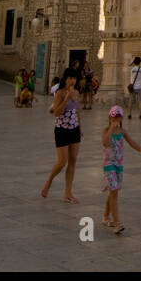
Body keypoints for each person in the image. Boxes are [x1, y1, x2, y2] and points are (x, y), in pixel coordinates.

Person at [101, 105, 141, 234]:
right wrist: (111, 128)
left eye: (118, 116)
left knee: (113, 192)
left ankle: (105, 217)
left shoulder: (122, 132)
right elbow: (105, 142)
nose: (116, 119)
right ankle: (117, 223)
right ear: (110, 117)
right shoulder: (106, 130)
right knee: (114, 191)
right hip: (109, 165)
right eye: (114, 116)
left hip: (118, 166)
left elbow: (132, 142)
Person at [42, 69, 82, 203]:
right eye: (70, 78)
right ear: (65, 79)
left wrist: (80, 127)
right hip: (62, 130)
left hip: (74, 129)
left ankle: (68, 192)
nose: (72, 81)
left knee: (73, 160)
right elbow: (56, 113)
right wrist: (66, 99)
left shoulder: (76, 92)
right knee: (61, 162)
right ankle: (49, 182)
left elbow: (77, 111)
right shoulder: (59, 93)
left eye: (74, 78)